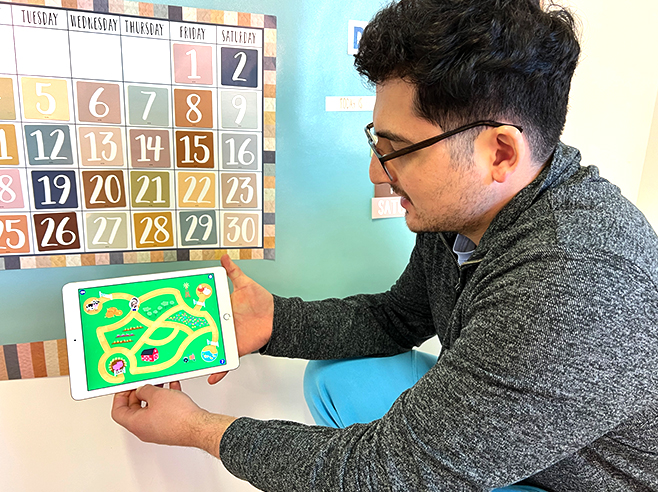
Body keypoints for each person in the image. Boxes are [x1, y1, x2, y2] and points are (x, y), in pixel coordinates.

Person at [111, 0, 658, 490]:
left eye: (397, 149)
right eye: (378, 141)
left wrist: (199, 429)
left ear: (500, 152)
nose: (377, 172)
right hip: (520, 440)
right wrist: (275, 321)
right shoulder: (470, 211)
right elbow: (397, 319)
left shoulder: (579, 281)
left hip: (586, 476)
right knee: (340, 376)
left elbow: (382, 472)